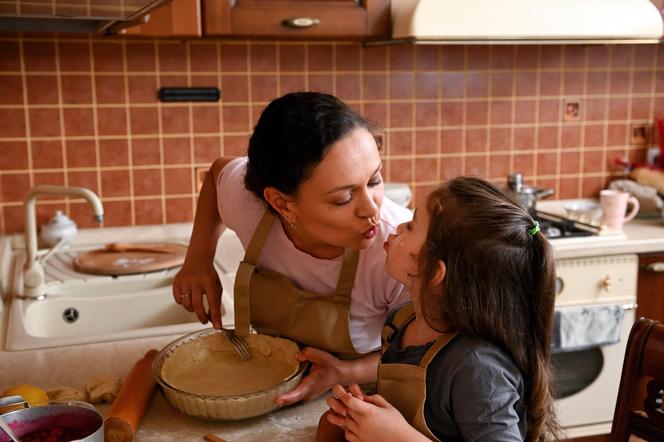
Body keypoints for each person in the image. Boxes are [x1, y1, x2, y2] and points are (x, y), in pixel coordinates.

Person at [172, 92, 412, 405]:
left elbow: (425, 354)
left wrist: (344, 372)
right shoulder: (250, 206)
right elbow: (219, 172)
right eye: (343, 199)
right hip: (266, 380)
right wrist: (198, 258)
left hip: (357, 398)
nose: (371, 210)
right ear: (282, 204)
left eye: (375, 180)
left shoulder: (398, 250)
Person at [318, 176, 560, 441]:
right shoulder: (400, 322)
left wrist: (396, 436)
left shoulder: (478, 369)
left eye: (411, 225)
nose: (397, 227)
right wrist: (360, 415)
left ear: (433, 270)